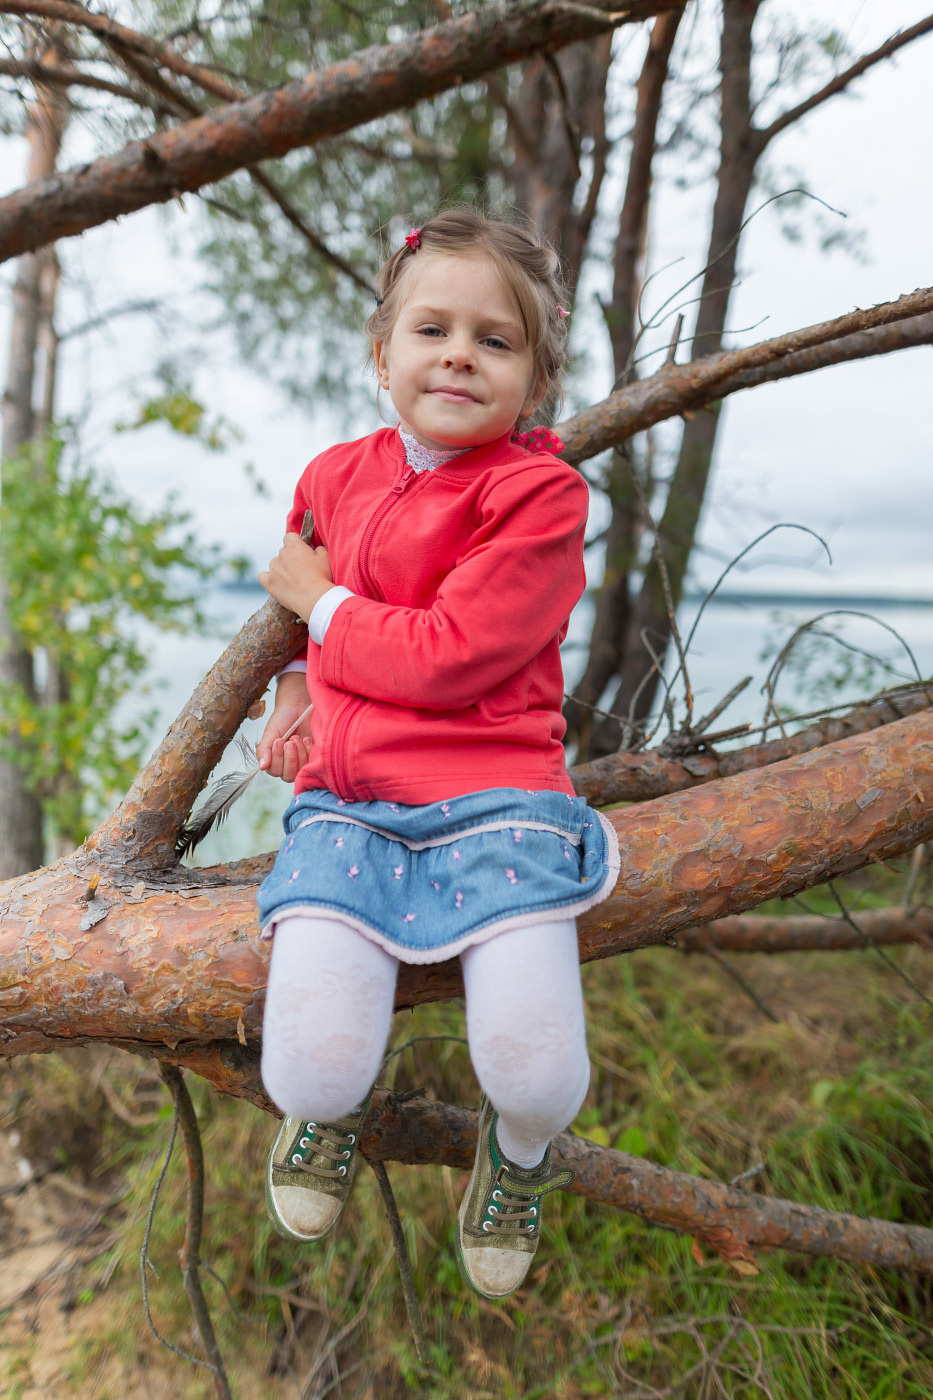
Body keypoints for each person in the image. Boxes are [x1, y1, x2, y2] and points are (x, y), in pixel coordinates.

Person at [255, 209, 620, 1301]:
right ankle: (332, 1109)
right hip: (351, 798)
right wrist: (291, 696)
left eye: (494, 340)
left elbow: (449, 656)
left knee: (537, 1072)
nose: (459, 354)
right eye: (432, 329)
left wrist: (322, 605)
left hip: (498, 797)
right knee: (308, 1071)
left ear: (534, 382)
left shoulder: (539, 497)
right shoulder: (332, 475)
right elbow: (294, 623)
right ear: (383, 355)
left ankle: (518, 1151)